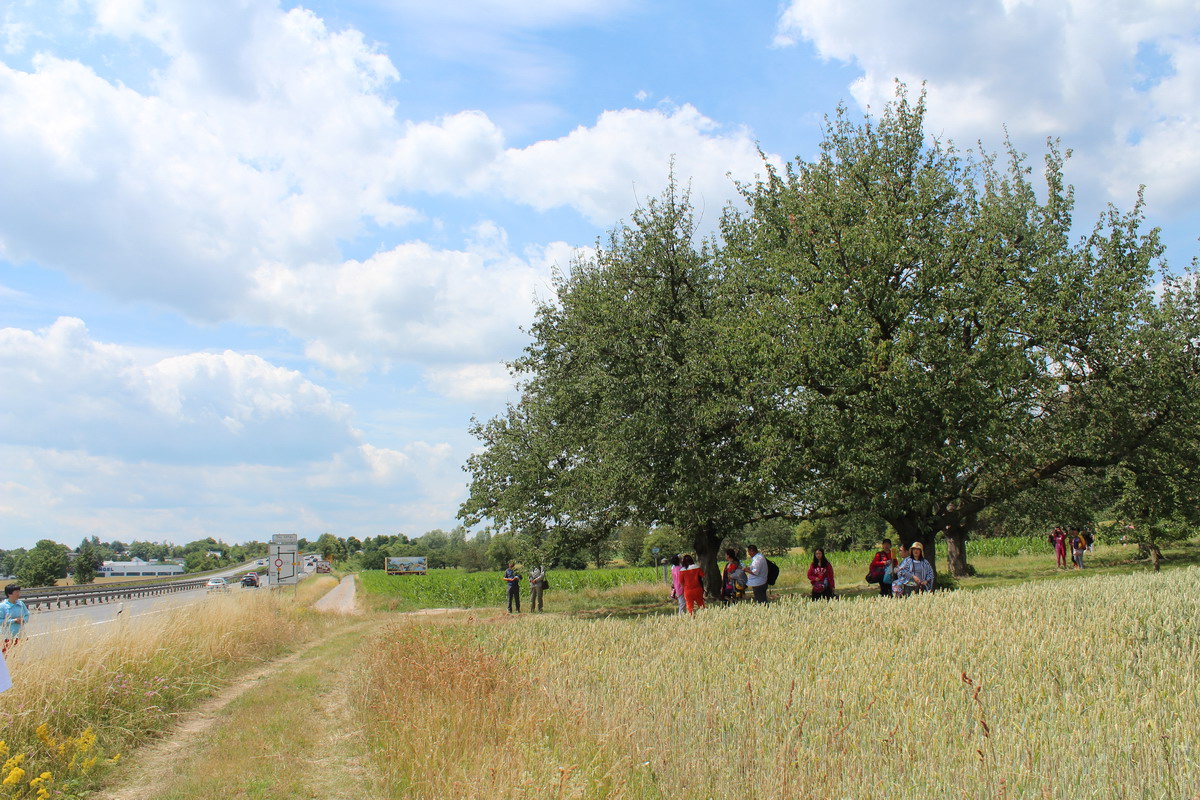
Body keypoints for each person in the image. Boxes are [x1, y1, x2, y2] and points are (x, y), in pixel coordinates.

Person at [0, 585, 29, 654]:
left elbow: (27, 614)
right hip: (7, 636)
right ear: (9, 594)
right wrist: (13, 621)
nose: (19, 593)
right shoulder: (2, 606)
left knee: (18, 655)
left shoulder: (21, 604)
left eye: (19, 591)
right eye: (16, 592)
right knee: (7, 656)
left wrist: (23, 620)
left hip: (19, 634)